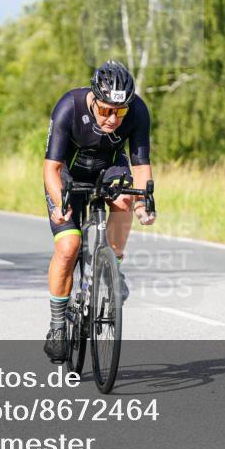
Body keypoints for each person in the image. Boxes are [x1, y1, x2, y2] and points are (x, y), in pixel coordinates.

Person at [41, 61, 156, 362]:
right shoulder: (69, 106)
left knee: (125, 199)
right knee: (69, 247)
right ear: (93, 99)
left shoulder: (138, 111)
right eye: (106, 111)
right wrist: (60, 204)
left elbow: (141, 165)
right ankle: (56, 326)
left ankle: (113, 266)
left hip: (109, 168)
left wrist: (143, 203)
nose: (113, 119)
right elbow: (51, 169)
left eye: (120, 112)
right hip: (68, 173)